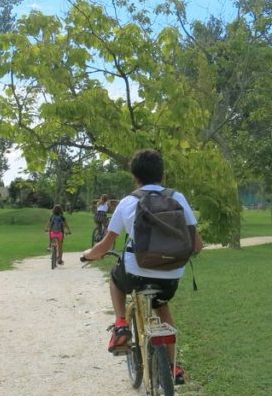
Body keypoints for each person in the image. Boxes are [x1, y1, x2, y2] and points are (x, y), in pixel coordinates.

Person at [82, 149, 203, 381]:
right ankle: (173, 366)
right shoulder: (177, 198)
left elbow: (106, 245)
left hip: (136, 272)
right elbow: (197, 244)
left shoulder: (128, 202)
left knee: (116, 280)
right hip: (170, 275)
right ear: (162, 175)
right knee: (162, 305)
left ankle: (120, 324)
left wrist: (89, 254)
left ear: (135, 177)